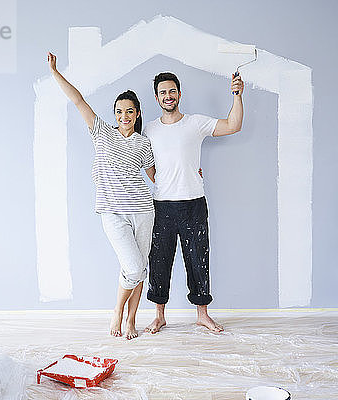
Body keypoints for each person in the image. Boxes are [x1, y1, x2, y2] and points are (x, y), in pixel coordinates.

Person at [48, 52, 155, 340]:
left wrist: (191, 173)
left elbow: (156, 177)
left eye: (130, 111)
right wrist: (56, 73)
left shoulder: (144, 143)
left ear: (138, 113)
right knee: (132, 267)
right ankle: (117, 311)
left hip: (144, 210)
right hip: (112, 212)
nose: (124, 116)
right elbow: (78, 100)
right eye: (120, 112)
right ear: (114, 114)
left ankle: (132, 319)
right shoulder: (102, 133)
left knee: (139, 269)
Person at [144, 71, 244, 333]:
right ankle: (159, 316)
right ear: (157, 97)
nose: (168, 96)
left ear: (179, 93)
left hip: (193, 205)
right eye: (163, 92)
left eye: (172, 91)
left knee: (198, 260)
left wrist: (237, 95)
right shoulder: (150, 129)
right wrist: (164, 179)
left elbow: (233, 125)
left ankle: (202, 315)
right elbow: (147, 164)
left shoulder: (195, 123)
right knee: (159, 262)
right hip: (162, 206)